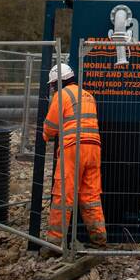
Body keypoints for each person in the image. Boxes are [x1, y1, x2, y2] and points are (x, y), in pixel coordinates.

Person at [43, 62, 107, 250]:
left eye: (53, 85)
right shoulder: (88, 95)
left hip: (73, 149)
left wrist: (45, 135)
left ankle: (54, 243)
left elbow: (51, 127)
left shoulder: (61, 96)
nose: (53, 88)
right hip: (94, 149)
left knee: (63, 194)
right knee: (91, 196)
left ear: (59, 82)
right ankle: (99, 240)